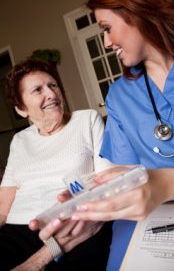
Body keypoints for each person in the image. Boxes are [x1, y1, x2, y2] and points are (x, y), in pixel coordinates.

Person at [34, 0, 174, 270]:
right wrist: (94, 199)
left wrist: (165, 182)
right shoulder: (120, 95)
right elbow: (127, 170)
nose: (107, 42)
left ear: (141, 12)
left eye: (108, 28)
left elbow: (153, 179)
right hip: (153, 221)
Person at [0, 58, 114, 271]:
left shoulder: (87, 120)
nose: (51, 94)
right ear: (22, 109)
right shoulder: (20, 140)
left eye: (53, 85)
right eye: (37, 90)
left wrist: (41, 258)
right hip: (17, 229)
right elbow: (3, 207)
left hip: (72, 223)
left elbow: (106, 183)